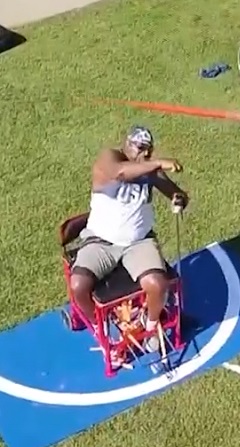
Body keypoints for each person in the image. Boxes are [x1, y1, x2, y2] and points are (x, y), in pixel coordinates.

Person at [70, 125, 189, 353]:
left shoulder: (148, 171)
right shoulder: (110, 158)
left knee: (157, 284)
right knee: (78, 285)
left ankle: (150, 326)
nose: (145, 154)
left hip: (139, 242)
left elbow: (176, 192)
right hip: (101, 241)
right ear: (127, 144)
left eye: (149, 151)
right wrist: (158, 163)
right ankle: (100, 329)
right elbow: (119, 172)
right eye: (141, 148)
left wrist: (178, 199)